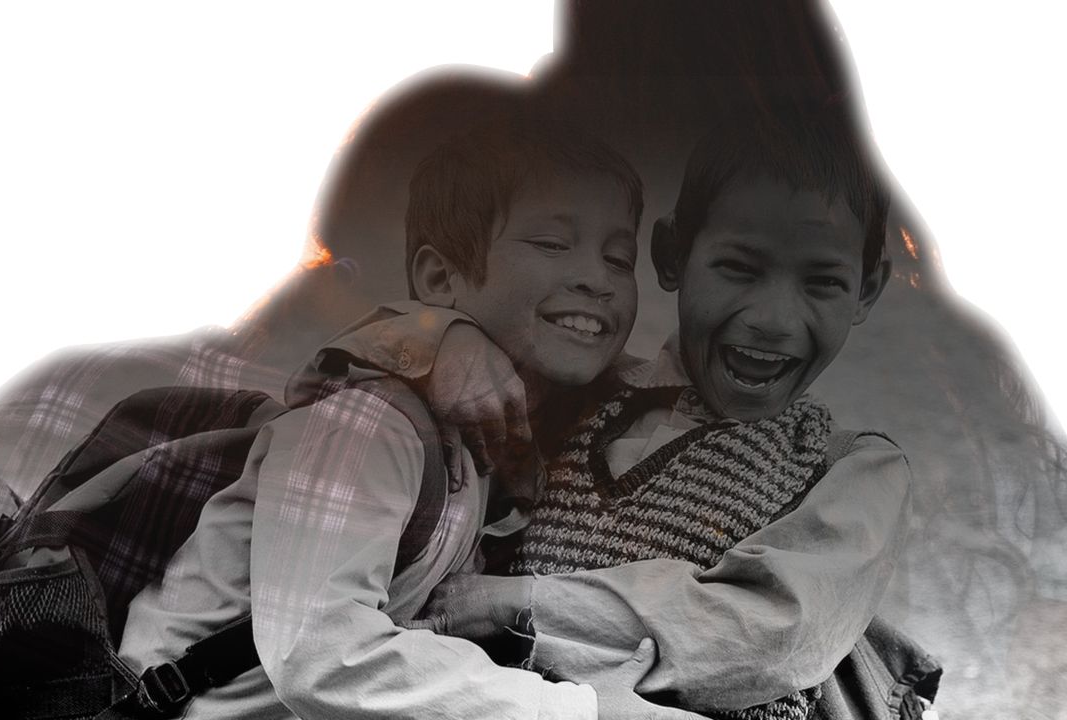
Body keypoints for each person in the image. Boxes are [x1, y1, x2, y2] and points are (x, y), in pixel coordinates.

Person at [333, 101, 915, 718]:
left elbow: (769, 635)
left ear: (866, 290)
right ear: (670, 255)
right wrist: (440, 337)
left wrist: (512, 603)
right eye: (739, 268)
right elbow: (350, 370)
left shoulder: (856, 473)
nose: (773, 320)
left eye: (822, 281)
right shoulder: (573, 393)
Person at [117, 116, 701, 720]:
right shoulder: (369, 425)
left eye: (618, 258)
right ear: (439, 278)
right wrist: (582, 711)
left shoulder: (509, 444)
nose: (596, 279)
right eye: (552, 244)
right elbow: (321, 657)